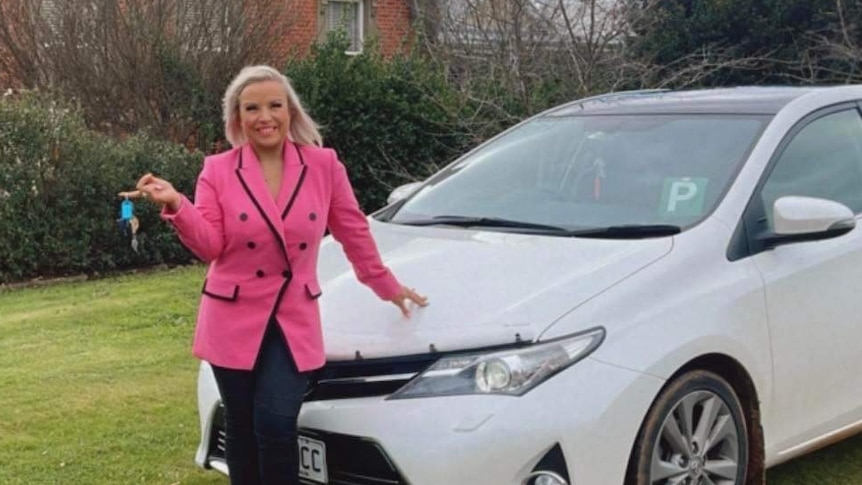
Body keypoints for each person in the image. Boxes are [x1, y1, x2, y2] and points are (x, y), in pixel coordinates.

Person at [133, 65, 428, 485]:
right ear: (237, 117)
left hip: (292, 318)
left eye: (275, 105)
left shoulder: (323, 165)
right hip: (231, 315)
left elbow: (353, 231)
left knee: (274, 421)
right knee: (241, 424)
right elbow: (210, 246)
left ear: (291, 111)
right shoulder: (217, 169)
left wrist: (387, 285)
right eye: (252, 108)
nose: (264, 116)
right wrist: (178, 205)